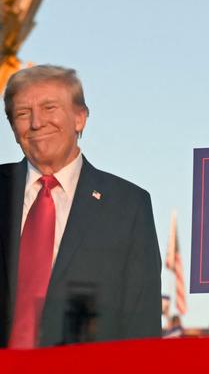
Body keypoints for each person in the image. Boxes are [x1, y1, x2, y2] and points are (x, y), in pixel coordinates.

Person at [0, 65, 162, 348]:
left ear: (80, 118)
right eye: (23, 113)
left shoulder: (128, 206)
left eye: (50, 108)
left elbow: (142, 323)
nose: (37, 122)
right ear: (14, 128)